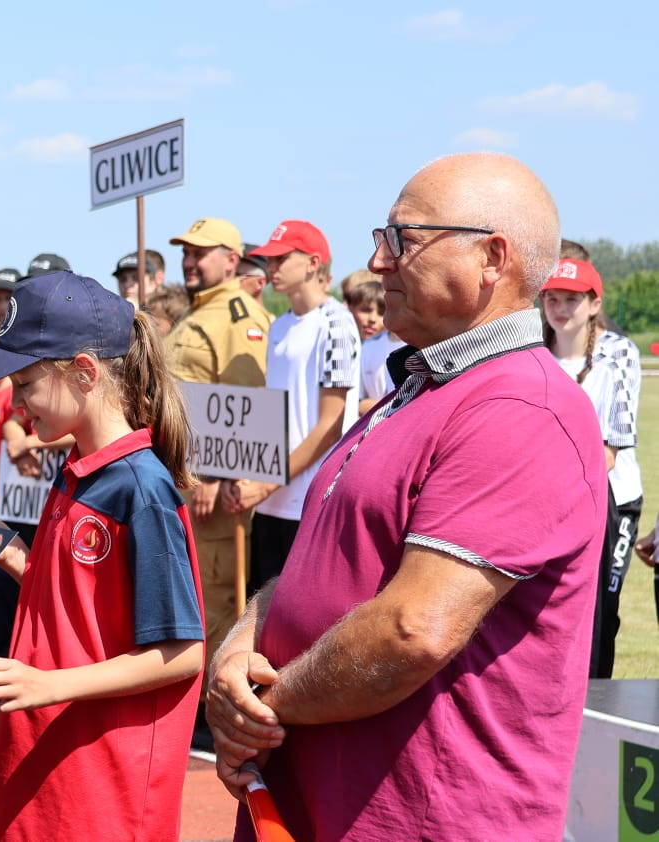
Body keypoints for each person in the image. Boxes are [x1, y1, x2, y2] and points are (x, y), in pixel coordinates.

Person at [206, 153, 606, 840]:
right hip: (315, 808)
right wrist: (238, 649)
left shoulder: (521, 408)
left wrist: (263, 705)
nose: (378, 261)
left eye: (403, 239)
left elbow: (412, 631)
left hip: (424, 820)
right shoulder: (411, 395)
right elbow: (312, 565)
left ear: (492, 258)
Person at [0, 270, 205, 841]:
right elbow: (84, 607)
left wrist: (50, 686)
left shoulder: (140, 488)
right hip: (52, 760)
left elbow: (182, 652)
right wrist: (14, 555)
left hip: (100, 785)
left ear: (85, 372)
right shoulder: (76, 472)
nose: (16, 404)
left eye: (24, 384)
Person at [162, 217, 271, 691]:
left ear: (231, 260)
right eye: (186, 253)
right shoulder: (196, 313)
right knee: (192, 594)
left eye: (199, 253)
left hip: (211, 489)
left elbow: (248, 404)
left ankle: (215, 705)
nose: (189, 262)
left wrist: (214, 474)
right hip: (182, 481)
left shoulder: (238, 317)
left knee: (217, 597)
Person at [222, 220, 359, 585]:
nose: (271, 267)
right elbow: (273, 414)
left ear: (313, 263)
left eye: (281, 258)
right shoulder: (279, 326)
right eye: (269, 259)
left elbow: (331, 426)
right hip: (271, 501)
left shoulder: (337, 323)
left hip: (313, 503)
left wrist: (267, 482)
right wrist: (250, 477)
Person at [540, 257, 643, 679]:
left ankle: (593, 702)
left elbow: (609, 452)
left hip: (605, 502)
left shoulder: (614, 360)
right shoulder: (532, 358)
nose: (560, 309)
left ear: (595, 305)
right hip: (543, 505)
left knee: (600, 611)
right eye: (552, 299)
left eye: (572, 300)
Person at [345, 279, 405, 415]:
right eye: (366, 310)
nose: (372, 319)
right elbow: (357, 402)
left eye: (381, 312)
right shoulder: (368, 346)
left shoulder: (416, 346)